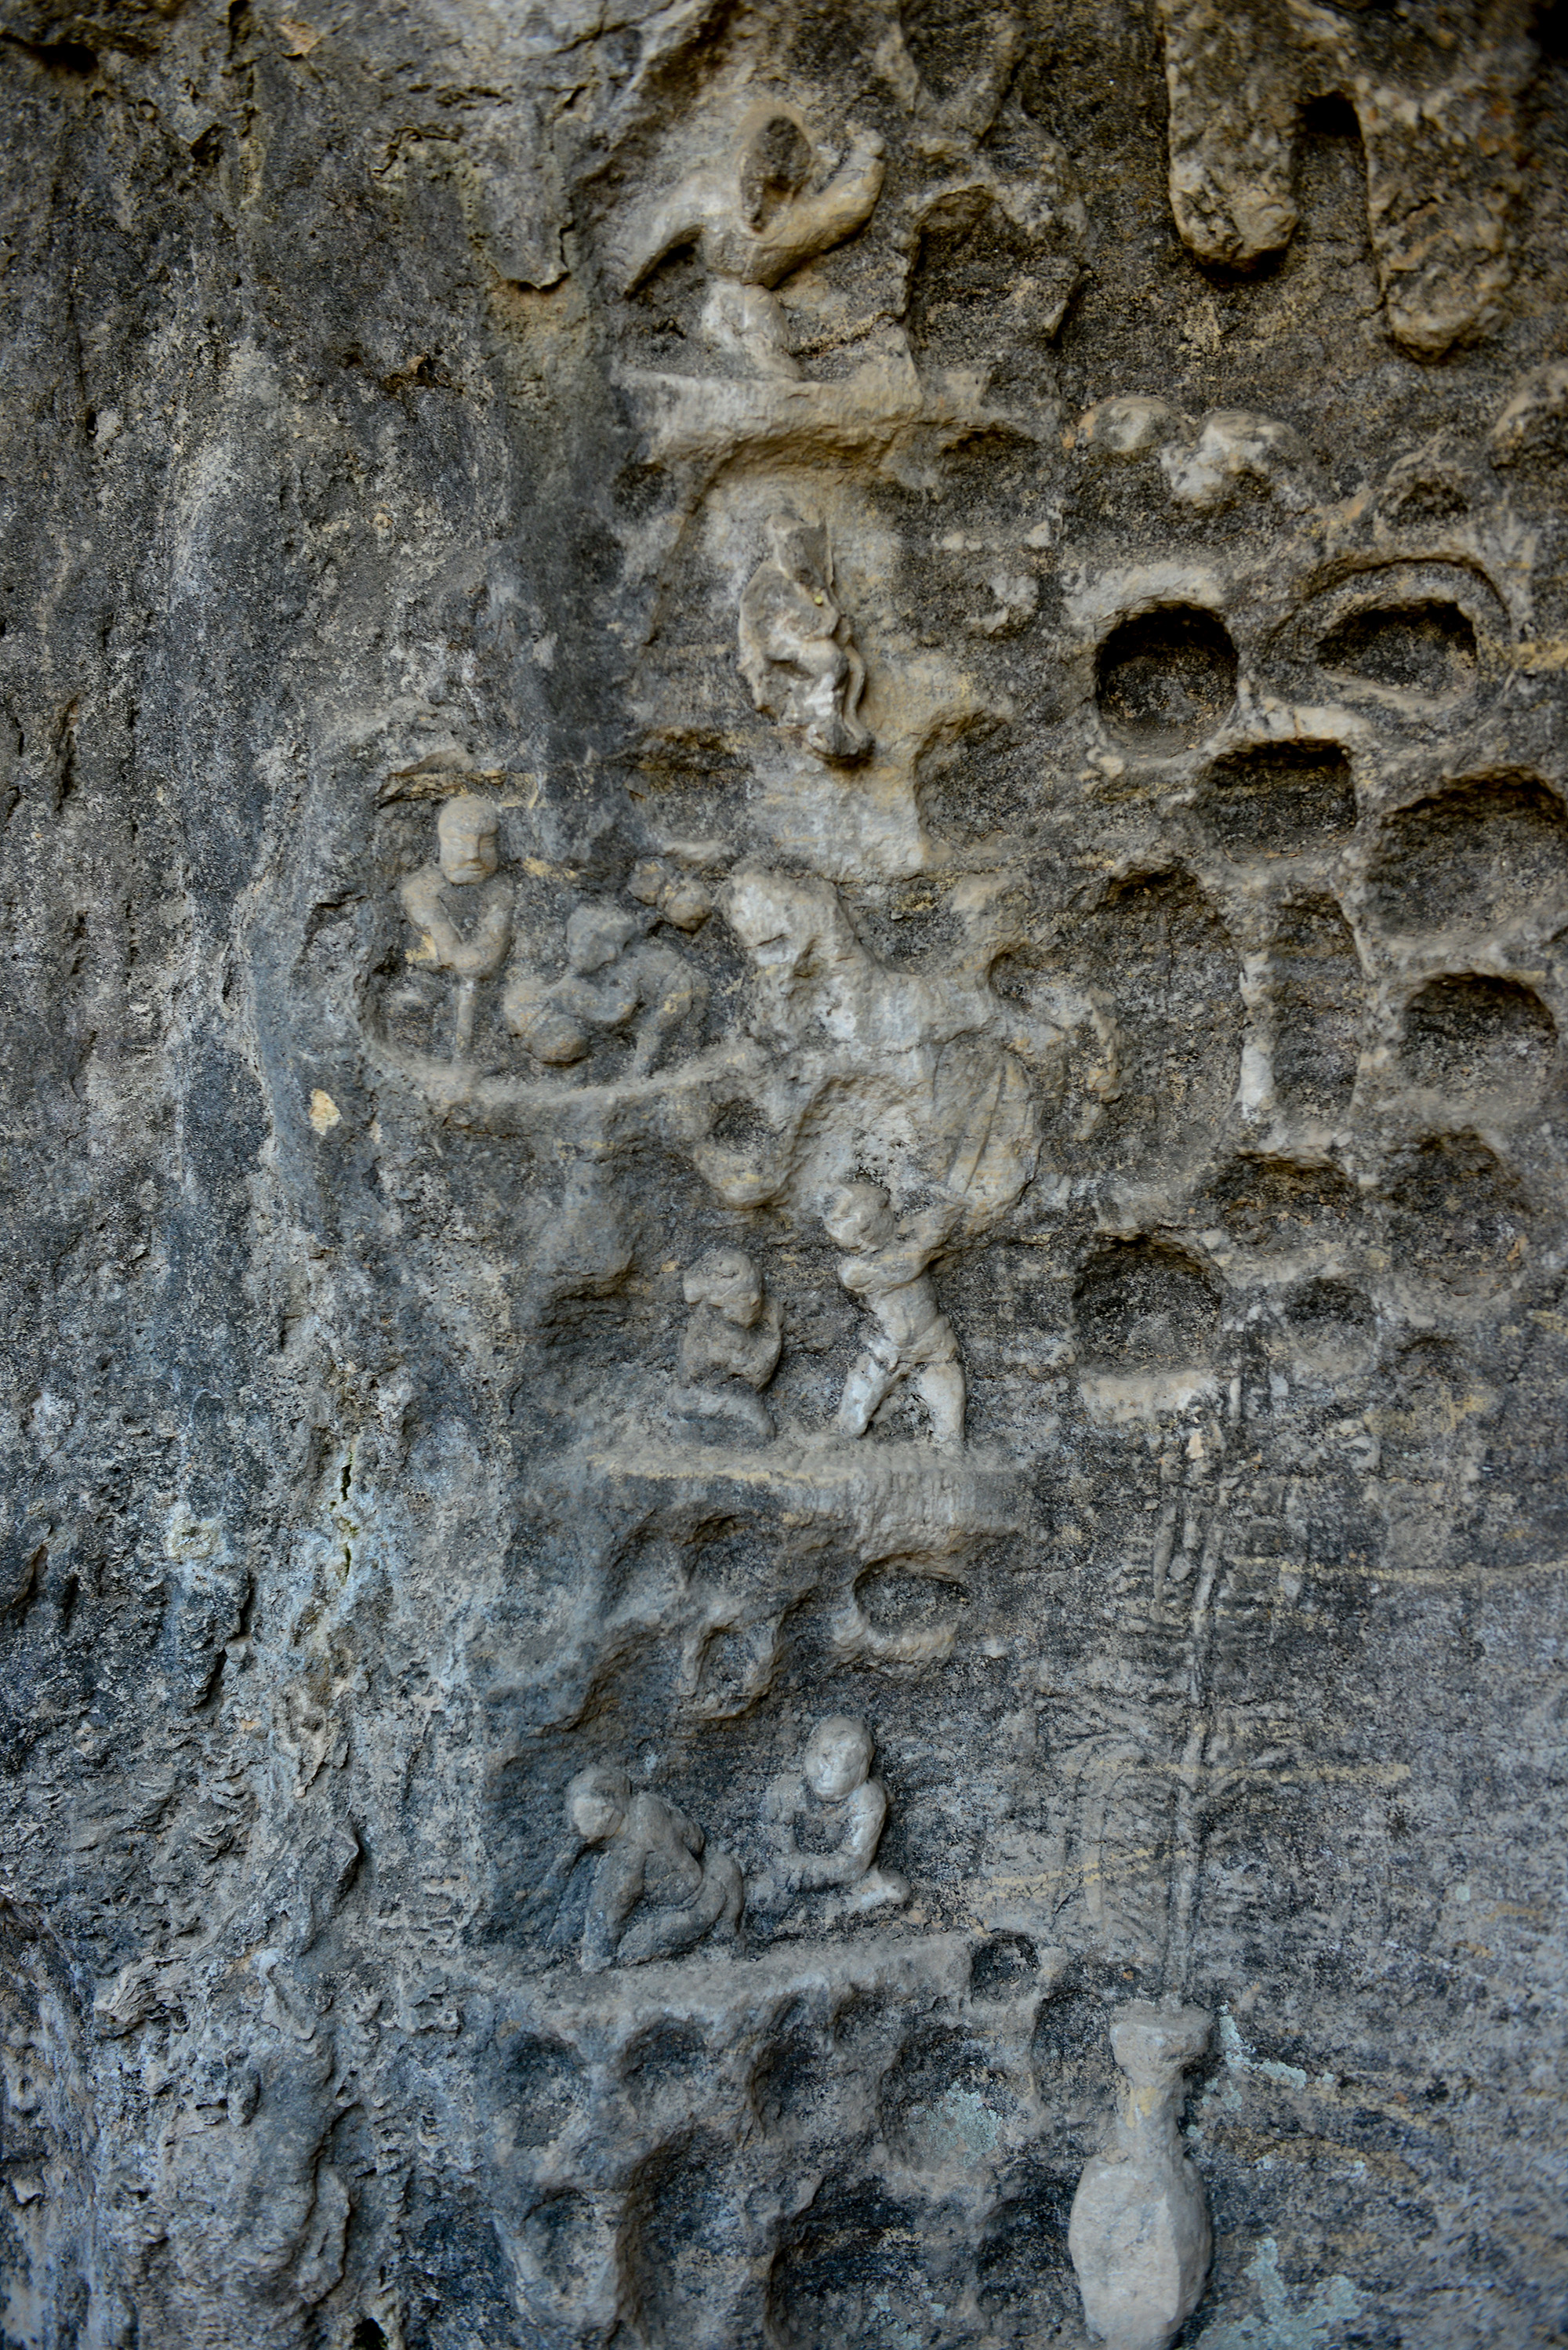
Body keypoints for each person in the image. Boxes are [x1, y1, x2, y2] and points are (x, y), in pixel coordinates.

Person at [615, 107, 886, 379]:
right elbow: (654, 235)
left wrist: (866, 157)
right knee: (740, 357)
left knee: (778, 371)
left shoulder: (797, 220)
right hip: (720, 311)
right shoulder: (708, 195)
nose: (776, 200)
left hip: (759, 313)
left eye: (785, 189)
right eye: (774, 186)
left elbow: (841, 212)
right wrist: (625, 278)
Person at [535, 1766, 743, 1974]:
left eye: (578, 1815)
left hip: (690, 1912)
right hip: (710, 1885)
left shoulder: (628, 1857)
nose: (573, 1826)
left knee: (629, 1949)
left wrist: (594, 1957)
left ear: (606, 1809)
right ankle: (726, 1935)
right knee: (726, 1866)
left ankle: (720, 1937)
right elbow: (696, 1840)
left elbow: (612, 1913)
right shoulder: (650, 1804)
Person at [822, 1182, 965, 1448]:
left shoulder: (909, 1235)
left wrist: (948, 1210)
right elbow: (904, 1267)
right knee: (852, 1419)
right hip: (886, 1350)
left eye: (865, 1231)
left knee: (949, 1413)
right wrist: (932, 1235)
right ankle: (840, 1445)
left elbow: (935, 1228)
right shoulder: (854, 1270)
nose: (863, 1244)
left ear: (884, 1211)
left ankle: (950, 1449)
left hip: (932, 1342)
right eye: (853, 1244)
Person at [503, 904, 706, 1078]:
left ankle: (639, 1075)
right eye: (571, 945)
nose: (575, 958)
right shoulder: (612, 965)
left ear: (607, 950)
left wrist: (582, 1001)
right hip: (672, 987)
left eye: (580, 948)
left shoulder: (629, 967)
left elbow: (616, 1011)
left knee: (650, 1030)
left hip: (677, 992)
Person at [752, 1716, 909, 1919]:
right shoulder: (787, 1791)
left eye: (847, 1762)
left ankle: (816, 1915)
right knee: (762, 1897)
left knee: (895, 1890)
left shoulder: (868, 1799)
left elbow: (854, 1862)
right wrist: (792, 1870)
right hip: (791, 1878)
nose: (830, 1768)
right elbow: (778, 1854)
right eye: (826, 1755)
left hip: (836, 1878)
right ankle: (821, 1915)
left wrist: (810, 1870)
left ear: (863, 1769)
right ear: (809, 1751)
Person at [398, 794, 512, 1059]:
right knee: (411, 1007)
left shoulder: (502, 889)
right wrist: (452, 949)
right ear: (439, 844)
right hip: (430, 987)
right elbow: (444, 943)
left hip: (488, 993)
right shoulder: (422, 888)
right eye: (458, 843)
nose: (473, 855)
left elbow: (492, 945)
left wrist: (482, 953)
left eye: (486, 843)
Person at [678, 1248, 782, 1436]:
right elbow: (692, 1375)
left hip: (734, 1402)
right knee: (758, 1424)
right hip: (705, 1401)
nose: (756, 1300)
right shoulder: (705, 1339)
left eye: (759, 1291)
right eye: (745, 1296)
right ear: (718, 1302)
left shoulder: (759, 1328)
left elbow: (759, 1376)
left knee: (759, 1423)